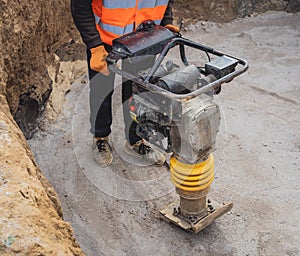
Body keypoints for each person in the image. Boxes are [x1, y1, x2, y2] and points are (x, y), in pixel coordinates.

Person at [71, 0, 179, 167]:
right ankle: (100, 137)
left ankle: (135, 139)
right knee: (102, 90)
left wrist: (166, 22)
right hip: (104, 39)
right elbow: (80, 5)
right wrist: (94, 45)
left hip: (145, 37)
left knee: (138, 92)